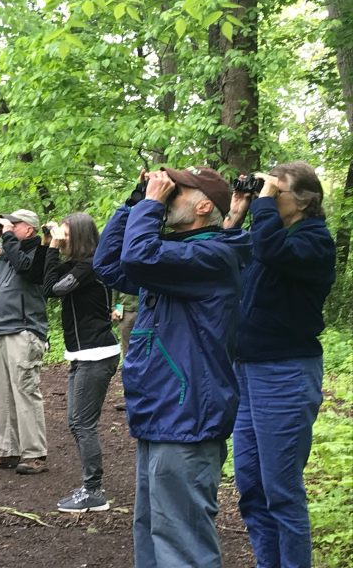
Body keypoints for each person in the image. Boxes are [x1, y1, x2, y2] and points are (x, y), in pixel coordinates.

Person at [93, 166, 251, 568]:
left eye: (174, 191)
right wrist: (134, 202)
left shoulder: (212, 255)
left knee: (182, 545)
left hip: (187, 417)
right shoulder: (176, 258)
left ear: (202, 206)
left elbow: (138, 256)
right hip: (163, 413)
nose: (164, 194)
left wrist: (150, 206)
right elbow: (109, 264)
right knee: (152, 533)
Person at [225, 161, 335, 568]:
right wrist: (237, 214)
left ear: (305, 201)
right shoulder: (268, 234)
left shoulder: (314, 241)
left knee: (282, 491)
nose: (268, 197)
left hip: (286, 373)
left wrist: (263, 204)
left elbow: (272, 251)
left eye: (278, 191)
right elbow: (227, 257)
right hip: (248, 371)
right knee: (251, 486)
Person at [42, 213, 119, 512]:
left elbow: (53, 289)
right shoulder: (77, 265)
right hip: (83, 354)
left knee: (83, 424)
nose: (61, 236)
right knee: (77, 422)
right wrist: (48, 245)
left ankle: (94, 491)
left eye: (65, 232)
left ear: (79, 235)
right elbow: (43, 279)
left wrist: (51, 249)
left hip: (97, 353)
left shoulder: (89, 266)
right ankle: (91, 487)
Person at [0, 209, 49, 475]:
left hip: (24, 330)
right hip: (0, 330)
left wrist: (7, 238)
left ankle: (35, 453)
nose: (9, 227)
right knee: (1, 393)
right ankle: (6, 450)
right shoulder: (7, 252)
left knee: (25, 390)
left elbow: (26, 269)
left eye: (14, 224)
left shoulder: (39, 253)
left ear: (29, 229)